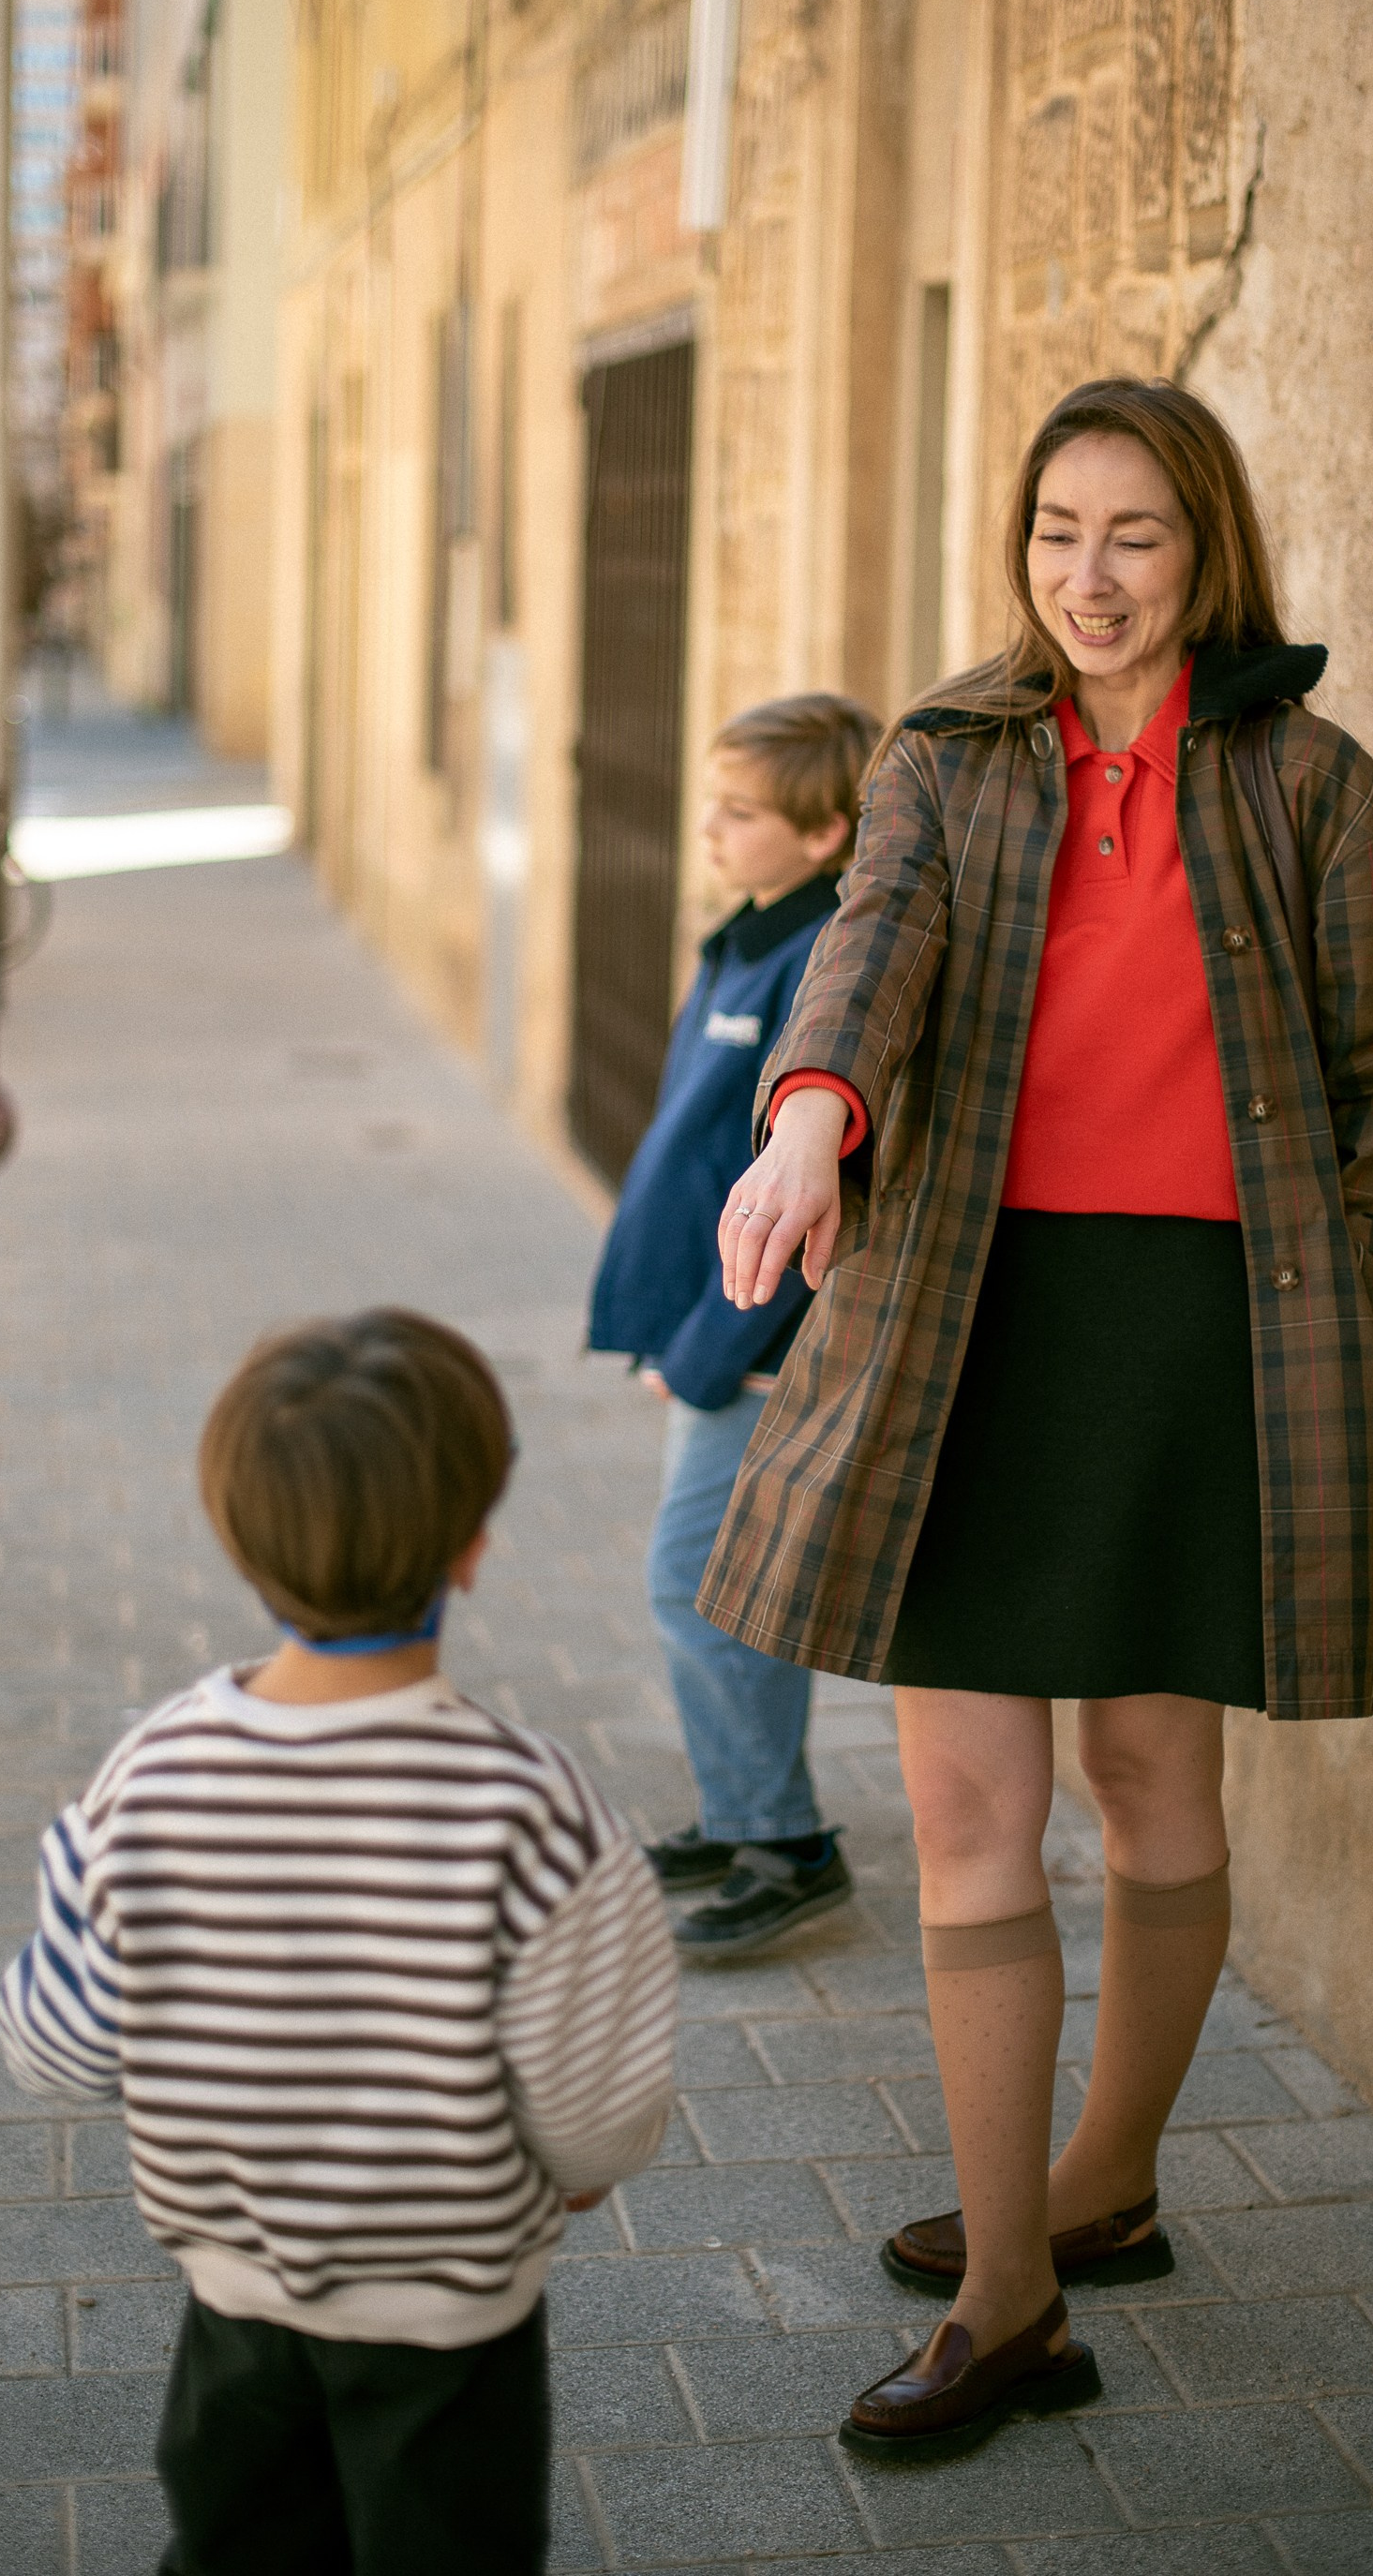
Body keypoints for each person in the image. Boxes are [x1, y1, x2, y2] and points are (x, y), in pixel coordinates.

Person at [701, 377, 1373, 2461]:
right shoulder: (952, 762)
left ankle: (1105, 2181)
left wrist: (1331, 1310)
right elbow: (864, 966)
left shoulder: (1307, 781)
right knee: (969, 1817)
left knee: (1152, 1789)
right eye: (1059, 530)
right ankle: (1009, 2295)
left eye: (1134, 533)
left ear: (1203, 550)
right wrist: (806, 1130)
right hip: (968, 1323)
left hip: (1197, 1347)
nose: (1092, 574)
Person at [0, 1310, 679, 2574]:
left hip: (235, 2308)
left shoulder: (146, 1779)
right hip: (455, 2330)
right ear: (472, 1548)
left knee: (237, 2550)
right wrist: (581, 2170)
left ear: (240, 1542)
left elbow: (58, 2048)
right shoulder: (532, 1809)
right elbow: (595, 2121)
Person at [589, 692, 880, 1956]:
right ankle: (741, 1808)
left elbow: (801, 1183)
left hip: (758, 1344)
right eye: (712, 800)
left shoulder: (823, 963)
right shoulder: (745, 939)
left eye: (742, 812)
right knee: (704, 1581)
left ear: (824, 834)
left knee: (702, 1584)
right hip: (708, 1332)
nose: (709, 827)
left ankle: (787, 1841)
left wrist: (708, 1347)